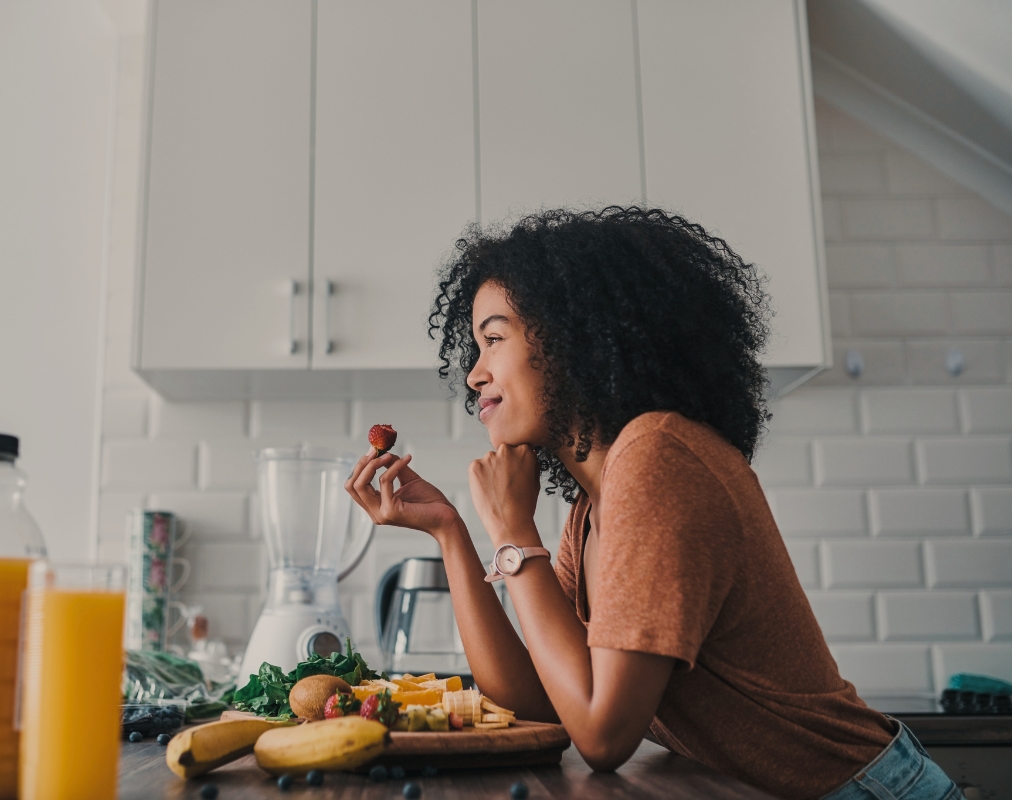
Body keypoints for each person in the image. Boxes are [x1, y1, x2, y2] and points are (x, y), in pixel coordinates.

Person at [344, 207, 961, 800]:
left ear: (571, 339)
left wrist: (512, 529)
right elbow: (534, 701)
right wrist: (452, 533)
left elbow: (602, 735)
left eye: (494, 339)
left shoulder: (657, 456)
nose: (475, 374)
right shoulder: (593, 504)